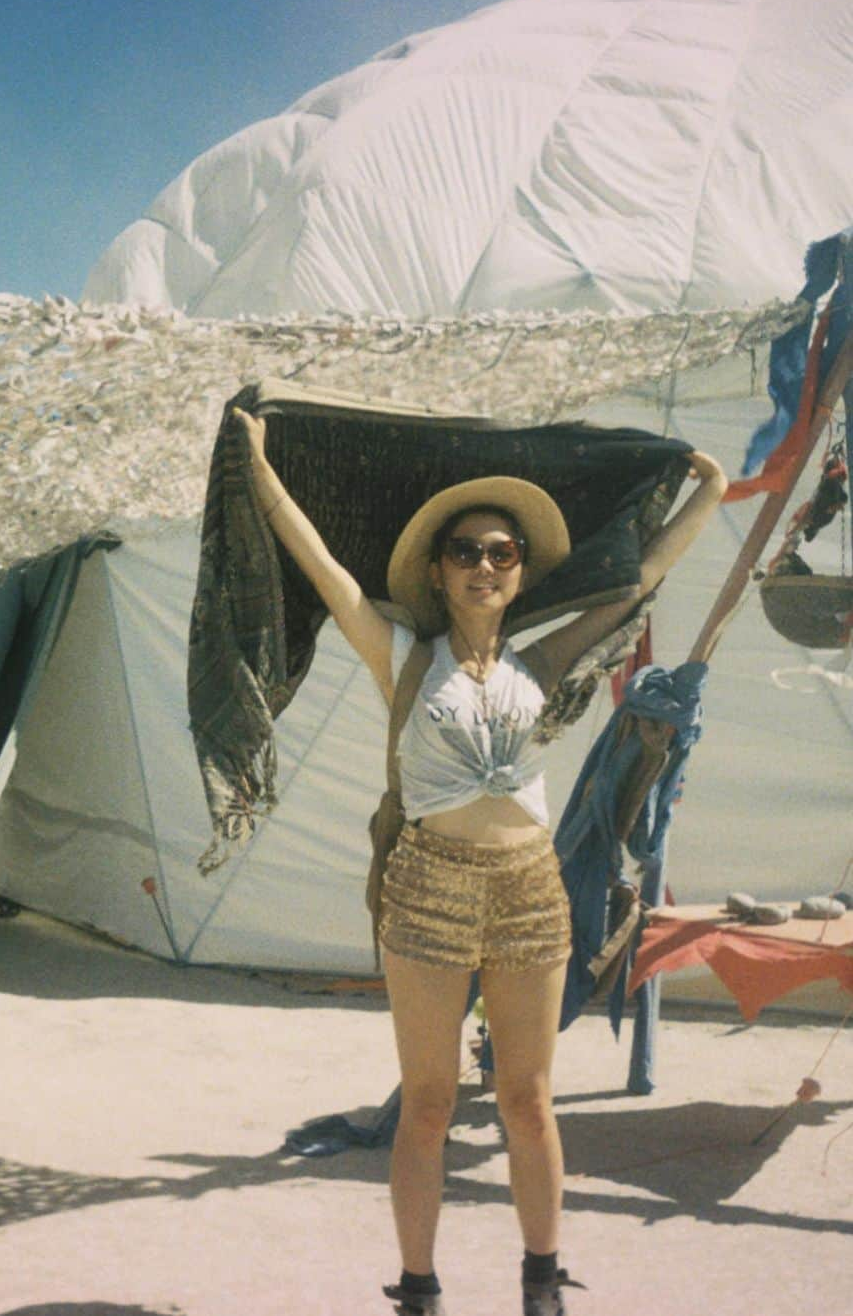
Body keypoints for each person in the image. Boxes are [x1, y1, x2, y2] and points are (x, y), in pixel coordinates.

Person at [236, 406, 727, 1316]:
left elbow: (640, 578)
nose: (485, 564)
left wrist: (712, 492)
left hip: (532, 893)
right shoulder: (404, 659)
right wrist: (259, 467)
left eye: (502, 552)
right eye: (467, 550)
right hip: (427, 888)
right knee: (426, 1105)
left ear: (520, 571)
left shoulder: (540, 667)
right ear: (437, 568)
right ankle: (418, 1289)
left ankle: (542, 1283)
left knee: (526, 1101)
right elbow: (322, 566)